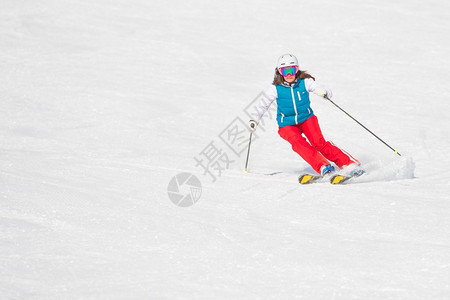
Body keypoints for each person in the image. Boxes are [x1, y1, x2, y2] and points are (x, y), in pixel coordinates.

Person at [249, 53, 363, 176]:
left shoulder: (305, 82)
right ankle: (323, 167)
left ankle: (349, 164)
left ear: (297, 70)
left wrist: (324, 92)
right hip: (287, 124)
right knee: (299, 144)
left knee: (319, 143)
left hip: (307, 119)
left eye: (292, 70)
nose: (289, 75)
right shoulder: (275, 89)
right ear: (279, 72)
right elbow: (263, 105)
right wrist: (255, 119)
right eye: (285, 71)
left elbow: (321, 88)